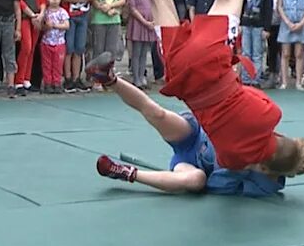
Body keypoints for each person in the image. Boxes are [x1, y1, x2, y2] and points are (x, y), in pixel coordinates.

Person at [58, 0, 304, 178]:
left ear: (282, 136)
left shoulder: (270, 114)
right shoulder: (234, 159)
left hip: (211, 61)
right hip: (182, 74)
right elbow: (235, 161)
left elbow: (244, 89)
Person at [92, 70, 288, 197]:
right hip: (195, 135)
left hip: (193, 165)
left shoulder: (266, 186)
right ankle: (110, 79)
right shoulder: (259, 134)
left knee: (196, 180)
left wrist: (240, 171)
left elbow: (215, 186)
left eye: (261, 165)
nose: (257, 161)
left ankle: (125, 173)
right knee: (158, 114)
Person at [39, 0, 70, 93]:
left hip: (59, 43)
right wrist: (46, 26)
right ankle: (48, 83)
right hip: (46, 42)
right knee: (47, 64)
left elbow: (67, 25)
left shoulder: (62, 12)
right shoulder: (45, 12)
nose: (55, 0)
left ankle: (57, 83)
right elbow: (41, 27)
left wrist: (56, 25)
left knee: (57, 64)